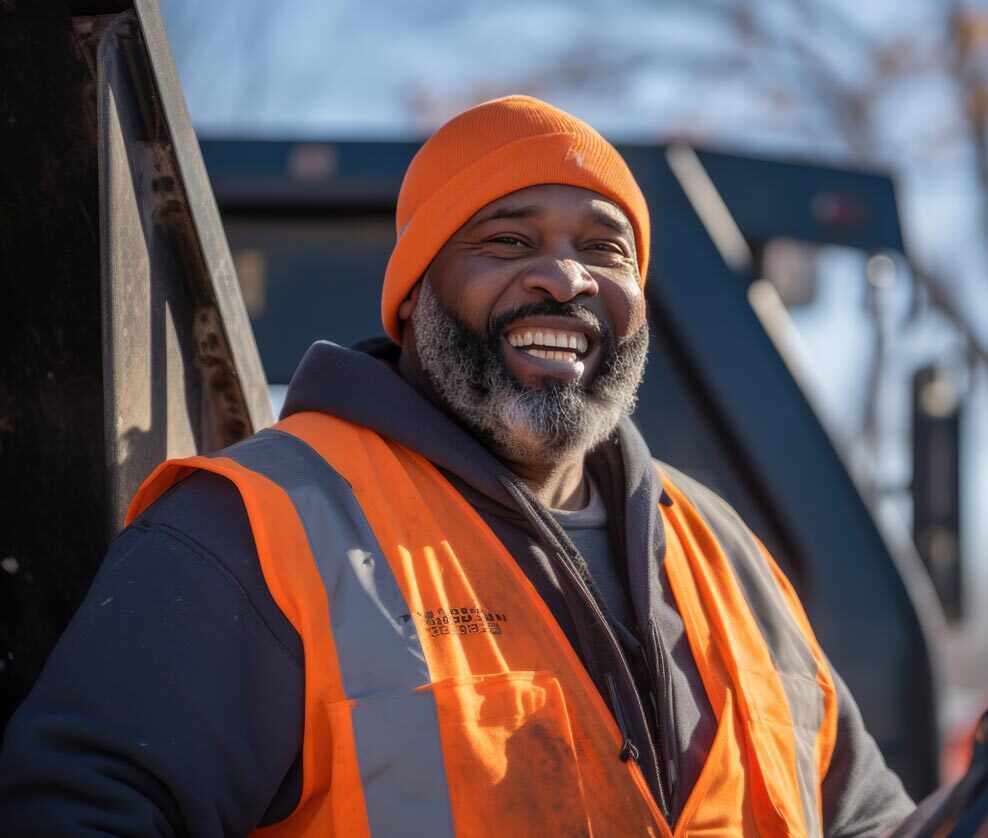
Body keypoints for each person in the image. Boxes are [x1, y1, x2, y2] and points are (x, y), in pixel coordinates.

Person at [0, 96, 913, 836]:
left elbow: (867, 820)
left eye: (605, 248)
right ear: (413, 297)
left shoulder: (727, 551)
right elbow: (81, 809)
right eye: (508, 241)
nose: (565, 278)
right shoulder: (256, 528)